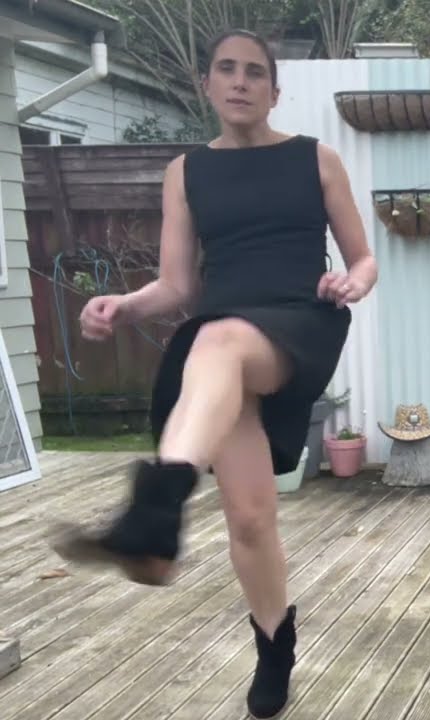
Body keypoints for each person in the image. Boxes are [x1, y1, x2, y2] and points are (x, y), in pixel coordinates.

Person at [49, 28, 377, 719]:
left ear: (274, 92)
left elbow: (364, 258)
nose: (239, 81)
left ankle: (155, 506)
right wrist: (124, 304)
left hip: (296, 324)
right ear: (207, 85)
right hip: (219, 350)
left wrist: (352, 282)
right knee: (250, 519)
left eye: (254, 72)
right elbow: (177, 286)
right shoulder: (186, 171)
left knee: (217, 340)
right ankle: (275, 646)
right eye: (226, 69)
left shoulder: (316, 160)